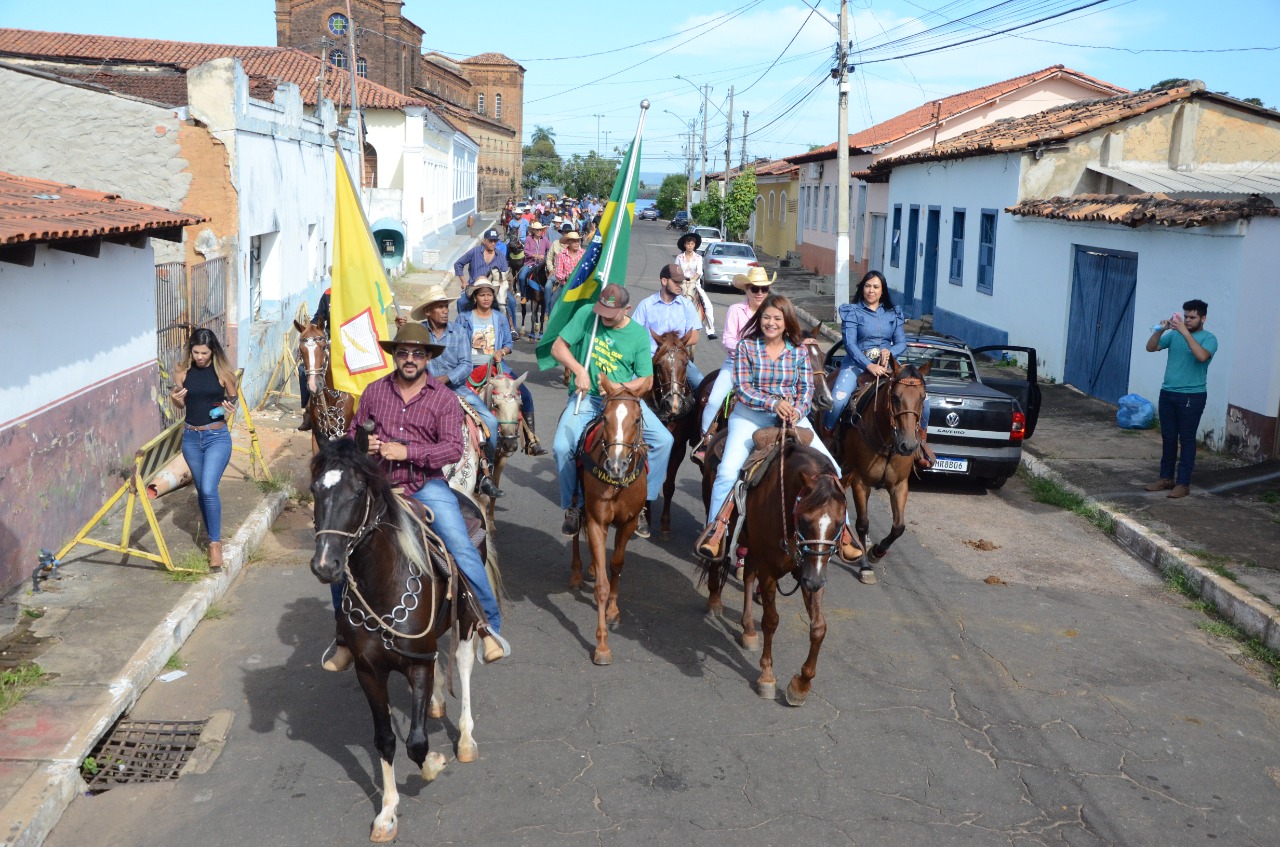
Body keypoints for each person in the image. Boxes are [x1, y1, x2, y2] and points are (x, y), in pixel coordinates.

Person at [329, 322, 511, 671]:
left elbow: (452, 449)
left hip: (426, 485)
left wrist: (406, 451)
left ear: (428, 357)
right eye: (403, 352)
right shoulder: (373, 392)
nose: (409, 359)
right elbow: (354, 436)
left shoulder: (443, 398)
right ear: (394, 356)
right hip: (377, 484)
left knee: (460, 546)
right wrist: (367, 446)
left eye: (417, 353)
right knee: (338, 547)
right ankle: (343, 639)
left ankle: (489, 627)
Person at [695, 294, 861, 562]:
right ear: (759, 320)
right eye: (766, 317)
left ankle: (845, 532)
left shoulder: (797, 352)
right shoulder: (747, 347)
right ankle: (716, 530)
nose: (771, 323)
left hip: (793, 419)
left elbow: (806, 390)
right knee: (727, 471)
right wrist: (774, 404)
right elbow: (743, 389)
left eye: (777, 318)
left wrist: (797, 409)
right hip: (750, 418)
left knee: (834, 470)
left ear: (787, 323)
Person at [550, 284, 674, 540]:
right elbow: (557, 348)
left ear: (626, 309)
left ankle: (644, 503)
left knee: (664, 441)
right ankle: (573, 505)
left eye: (611, 313)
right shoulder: (587, 315)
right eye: (602, 311)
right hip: (587, 398)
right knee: (562, 447)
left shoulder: (638, 335)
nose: (604, 317)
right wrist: (579, 370)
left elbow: (647, 381)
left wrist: (619, 388)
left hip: (623, 402)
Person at [821, 270, 933, 468]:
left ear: (882, 291)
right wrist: (869, 365)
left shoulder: (893, 313)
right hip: (856, 364)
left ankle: (921, 443)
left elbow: (901, 342)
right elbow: (850, 344)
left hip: (887, 366)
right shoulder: (852, 311)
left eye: (875, 287)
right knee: (837, 401)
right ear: (862, 288)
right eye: (867, 286)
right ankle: (828, 438)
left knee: (925, 401)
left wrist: (889, 351)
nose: (870, 291)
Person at [169, 328, 238, 569]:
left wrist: (226, 409)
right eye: (196, 352)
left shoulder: (223, 372)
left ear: (213, 351)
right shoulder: (181, 371)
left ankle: (215, 545)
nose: (200, 357)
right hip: (190, 438)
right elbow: (178, 401)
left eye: (204, 352)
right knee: (202, 491)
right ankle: (212, 535)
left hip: (216, 437)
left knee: (209, 488)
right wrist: (176, 400)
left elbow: (233, 398)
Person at [692, 266, 773, 464]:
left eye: (764, 289)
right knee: (714, 400)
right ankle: (705, 439)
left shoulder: (773, 313)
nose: (760, 293)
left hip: (768, 369)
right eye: (755, 289)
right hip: (736, 364)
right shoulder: (736, 310)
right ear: (746, 290)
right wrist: (749, 351)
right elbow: (728, 339)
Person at [1144, 299, 1217, 498]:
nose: (1188, 320)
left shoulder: (1209, 338)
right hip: (1168, 393)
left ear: (1203, 318)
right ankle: (1166, 478)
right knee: (1168, 437)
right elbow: (1150, 348)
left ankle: (1183, 483)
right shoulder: (1174, 335)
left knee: (1186, 439)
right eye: (1186, 317)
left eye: (1192, 317)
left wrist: (1185, 332)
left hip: (1192, 396)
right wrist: (1160, 329)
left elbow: (1202, 357)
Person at [630, 263, 705, 390]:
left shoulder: (687, 305)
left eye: (681, 282)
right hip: (649, 358)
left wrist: (671, 345)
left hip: (678, 359)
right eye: (676, 282)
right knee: (629, 388)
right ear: (664, 281)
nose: (680, 285)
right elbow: (633, 333)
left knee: (702, 385)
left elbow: (694, 337)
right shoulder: (646, 305)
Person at [297, 287, 331, 431]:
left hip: (349, 338)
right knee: (302, 369)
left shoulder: (355, 293)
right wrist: (310, 329)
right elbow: (319, 316)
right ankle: (308, 410)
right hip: (326, 338)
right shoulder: (328, 294)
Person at [674, 232, 715, 339]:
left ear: (694, 245)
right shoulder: (679, 257)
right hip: (682, 284)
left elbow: (699, 272)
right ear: (684, 245)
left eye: (692, 244)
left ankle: (710, 330)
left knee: (708, 305)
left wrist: (692, 280)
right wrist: (682, 280)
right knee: (669, 301)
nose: (690, 246)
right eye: (688, 244)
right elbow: (676, 271)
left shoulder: (698, 258)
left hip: (694, 284)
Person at [549, 229, 585, 316]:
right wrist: (566, 277)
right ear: (568, 242)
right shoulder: (561, 255)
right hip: (565, 285)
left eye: (578, 241)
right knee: (553, 301)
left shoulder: (584, 254)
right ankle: (551, 320)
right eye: (574, 241)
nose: (577, 243)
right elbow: (558, 273)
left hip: (580, 286)